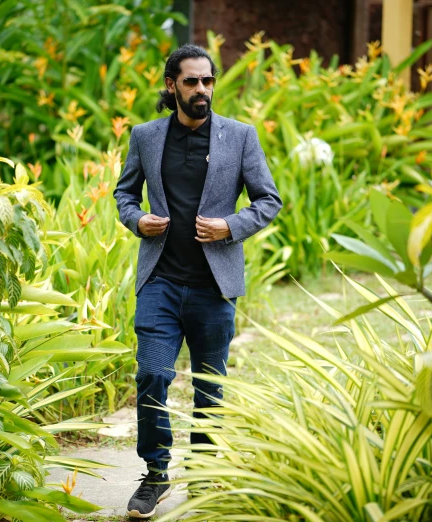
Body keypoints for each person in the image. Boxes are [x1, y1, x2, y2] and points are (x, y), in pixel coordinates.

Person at [113, 44, 282, 519]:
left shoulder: (240, 137)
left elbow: (268, 200)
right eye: (192, 82)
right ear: (172, 86)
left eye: (208, 81)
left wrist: (231, 226)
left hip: (214, 283)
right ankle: (156, 474)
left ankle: (205, 475)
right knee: (152, 375)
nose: (202, 90)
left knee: (210, 385)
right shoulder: (146, 136)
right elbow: (124, 194)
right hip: (160, 280)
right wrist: (137, 219)